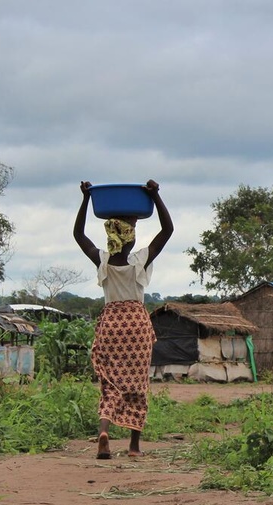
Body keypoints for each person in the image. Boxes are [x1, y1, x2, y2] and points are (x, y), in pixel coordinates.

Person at [73, 179, 173, 459]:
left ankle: (104, 431)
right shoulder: (139, 260)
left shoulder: (103, 261)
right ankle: (133, 447)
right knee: (137, 385)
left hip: (111, 325)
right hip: (136, 326)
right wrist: (156, 196)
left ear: (110, 236)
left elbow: (78, 234)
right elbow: (168, 230)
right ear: (130, 237)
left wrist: (85, 199)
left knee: (110, 384)